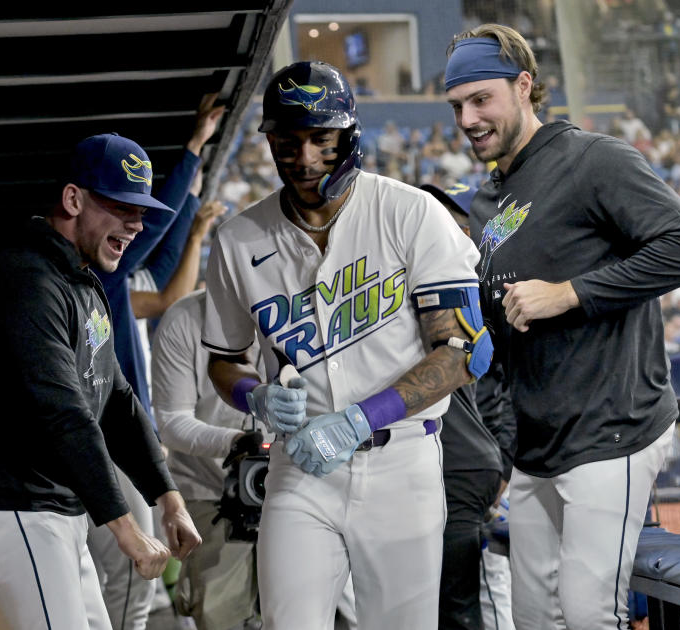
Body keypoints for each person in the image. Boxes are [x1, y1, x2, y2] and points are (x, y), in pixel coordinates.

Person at [202, 60, 493, 630]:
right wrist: (253, 396)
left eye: (321, 139)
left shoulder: (411, 212)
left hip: (402, 459)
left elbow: (464, 351)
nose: (306, 158)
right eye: (290, 141)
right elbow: (223, 360)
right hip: (299, 466)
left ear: (349, 136)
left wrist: (359, 419)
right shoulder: (238, 239)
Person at [443, 24, 680, 630]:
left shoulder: (596, 159)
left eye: (481, 98)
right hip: (538, 448)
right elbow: (497, 336)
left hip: (612, 429)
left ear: (524, 86)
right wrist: (505, 439)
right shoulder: (487, 202)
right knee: (536, 619)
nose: (468, 117)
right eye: (457, 105)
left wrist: (571, 293)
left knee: (593, 614)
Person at [0, 132, 202, 630]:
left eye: (140, 212)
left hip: (44, 512)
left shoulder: (79, 280)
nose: (136, 225)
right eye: (121, 207)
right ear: (73, 199)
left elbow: (116, 401)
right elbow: (62, 413)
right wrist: (124, 530)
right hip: (6, 509)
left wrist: (169, 500)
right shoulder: (25, 278)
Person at [86, 95, 225, 630]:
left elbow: (163, 263)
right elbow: (156, 244)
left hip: (120, 434)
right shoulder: (101, 273)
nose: (135, 227)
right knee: (125, 579)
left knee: (118, 581)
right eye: (127, 213)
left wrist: (192, 217)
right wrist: (192, 149)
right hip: (103, 441)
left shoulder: (115, 282)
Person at [422, 182, 516, 630]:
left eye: (456, 224)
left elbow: (509, 391)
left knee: (470, 602)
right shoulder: (411, 285)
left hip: (466, 465)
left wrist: (502, 464)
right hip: (431, 464)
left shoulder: (488, 297)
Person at [152, 290, 261, 630]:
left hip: (298, 487)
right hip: (213, 492)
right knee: (220, 616)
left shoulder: (302, 305)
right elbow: (171, 422)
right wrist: (237, 443)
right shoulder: (185, 318)